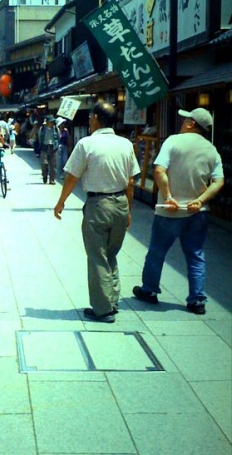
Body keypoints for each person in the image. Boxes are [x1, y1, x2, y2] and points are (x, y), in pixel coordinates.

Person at [53, 101, 140, 323]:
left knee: (97, 256)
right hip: (120, 203)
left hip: (98, 206)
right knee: (111, 254)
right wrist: (128, 210)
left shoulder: (86, 144)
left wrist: (61, 201)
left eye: (91, 118)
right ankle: (112, 301)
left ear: (95, 119)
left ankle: (103, 309)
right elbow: (131, 181)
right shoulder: (125, 144)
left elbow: (72, 176)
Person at [133, 107, 224, 315]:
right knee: (196, 255)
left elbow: (159, 171)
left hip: (169, 211)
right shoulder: (212, 149)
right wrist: (200, 201)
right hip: (197, 212)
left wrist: (168, 197)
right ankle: (197, 300)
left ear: (192, 124)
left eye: (186, 120)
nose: (183, 122)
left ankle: (149, 291)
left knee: (157, 252)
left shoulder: (173, 141)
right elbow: (218, 181)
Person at [39, 115, 60, 184]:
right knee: (44, 164)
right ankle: (45, 176)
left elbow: (59, 137)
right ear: (47, 122)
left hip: (53, 148)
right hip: (44, 148)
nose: (52, 123)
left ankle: (52, 179)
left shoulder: (56, 129)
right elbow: (40, 138)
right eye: (51, 121)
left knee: (53, 165)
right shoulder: (42, 129)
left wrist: (56, 146)